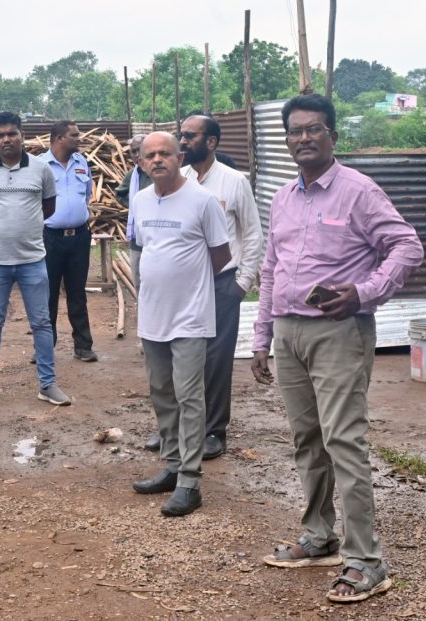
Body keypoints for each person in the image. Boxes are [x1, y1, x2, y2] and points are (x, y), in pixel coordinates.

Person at [251, 94, 422, 603]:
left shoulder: (358, 191)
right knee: (307, 438)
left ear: (333, 136)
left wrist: (364, 293)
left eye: (314, 129)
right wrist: (261, 336)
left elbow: (407, 246)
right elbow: (270, 268)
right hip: (289, 333)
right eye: (295, 130)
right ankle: (319, 536)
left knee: (343, 441)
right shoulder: (283, 197)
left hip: (338, 332)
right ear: (287, 139)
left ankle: (366, 560)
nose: (303, 138)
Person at [143, 115, 263, 459]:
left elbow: (252, 233)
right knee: (176, 356)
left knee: (215, 359)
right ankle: (174, 427)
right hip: (183, 288)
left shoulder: (234, 182)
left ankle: (213, 430)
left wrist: (241, 283)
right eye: (181, 135)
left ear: (211, 142)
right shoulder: (180, 179)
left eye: (190, 136)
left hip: (222, 283)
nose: (183, 141)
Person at [130, 131, 231, 517]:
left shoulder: (203, 201)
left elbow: (221, 256)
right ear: (142, 163)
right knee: (161, 392)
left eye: (165, 153)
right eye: (150, 155)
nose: (157, 159)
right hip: (153, 314)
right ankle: (172, 465)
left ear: (180, 158)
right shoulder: (140, 200)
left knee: (189, 397)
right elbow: (144, 248)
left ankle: (190, 482)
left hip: (190, 316)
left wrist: (190, 285)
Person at [0, 112, 71, 407]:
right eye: (0, 135)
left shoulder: (41, 169)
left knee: (42, 322)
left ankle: (48, 384)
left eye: (12, 133)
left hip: (32, 260)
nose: (6, 139)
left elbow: (48, 208)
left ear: (22, 135)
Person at [40, 121, 98, 363]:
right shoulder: (40, 166)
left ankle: (83, 346)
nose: (79, 138)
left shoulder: (81, 163)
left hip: (79, 238)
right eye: (74, 135)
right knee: (47, 294)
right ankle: (44, 347)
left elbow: (86, 195)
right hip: (50, 239)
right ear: (59, 138)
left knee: (77, 292)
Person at [114, 134, 152, 290]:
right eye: (133, 151)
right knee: (138, 278)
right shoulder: (133, 175)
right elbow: (120, 194)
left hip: (159, 234)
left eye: (139, 150)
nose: (136, 155)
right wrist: (137, 207)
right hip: (138, 236)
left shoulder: (159, 172)